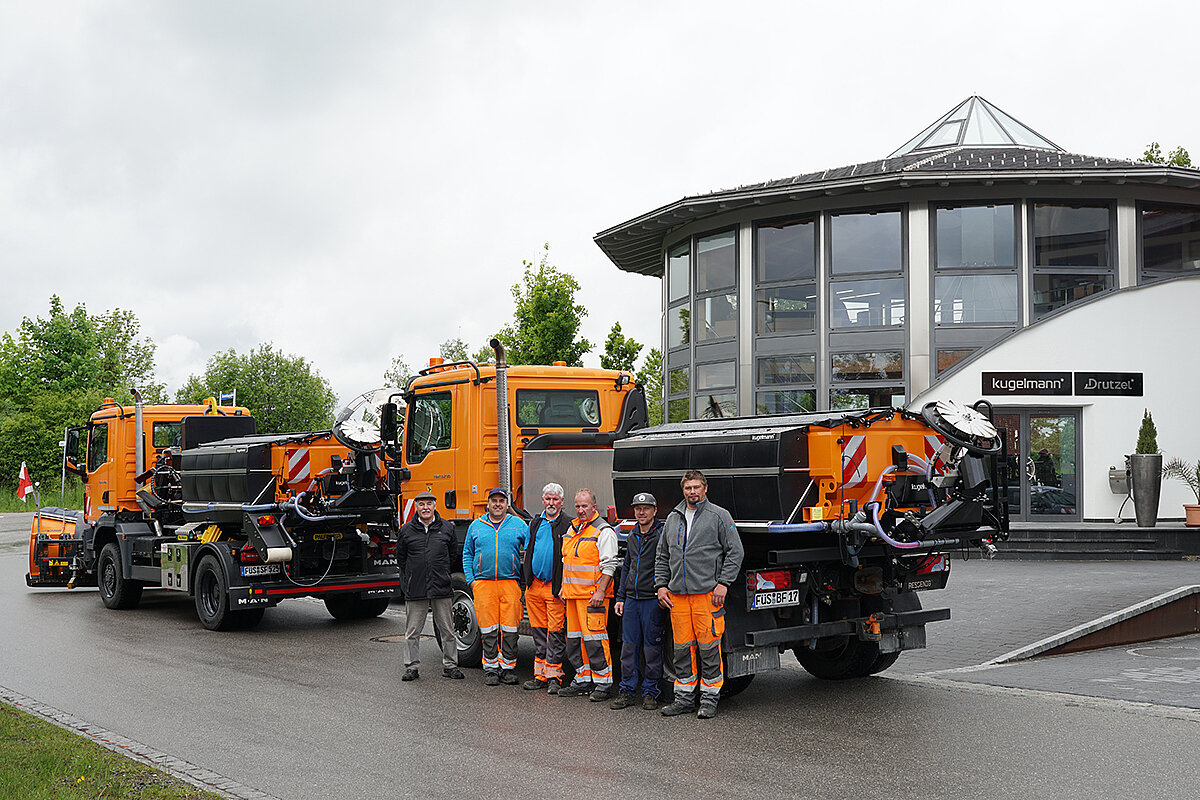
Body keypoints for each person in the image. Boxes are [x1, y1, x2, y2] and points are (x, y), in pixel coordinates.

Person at [655, 469, 744, 719]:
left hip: (707, 595)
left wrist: (724, 583)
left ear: (705, 488)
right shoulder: (673, 518)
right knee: (681, 649)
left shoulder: (719, 516)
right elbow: (663, 555)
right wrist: (661, 585)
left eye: (696, 487)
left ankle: (709, 699)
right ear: (682, 490)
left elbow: (735, 552)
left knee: (709, 649)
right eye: (687, 488)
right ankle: (683, 698)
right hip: (678, 597)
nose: (692, 492)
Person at [556, 488, 619, 702]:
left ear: (594, 506)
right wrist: (565, 588)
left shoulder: (603, 531)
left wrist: (601, 591)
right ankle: (582, 679)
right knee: (574, 641)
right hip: (573, 596)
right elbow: (567, 562)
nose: (581, 510)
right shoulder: (573, 529)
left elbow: (610, 565)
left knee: (595, 641)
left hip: (593, 597)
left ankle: (603, 683)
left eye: (585, 506)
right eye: (578, 506)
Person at [462, 487, 529, 686]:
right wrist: (471, 581)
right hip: (484, 584)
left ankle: (508, 668)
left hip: (510, 583)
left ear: (507, 504)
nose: (498, 504)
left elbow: (531, 548)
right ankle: (491, 669)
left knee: (510, 629)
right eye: (494, 501)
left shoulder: (518, 524)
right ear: (488, 504)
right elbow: (467, 554)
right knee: (488, 629)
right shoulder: (476, 526)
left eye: (501, 501)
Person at [397, 490, 464, 681]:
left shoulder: (447, 528)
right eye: (421, 504)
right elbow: (401, 558)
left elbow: (451, 555)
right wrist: (412, 576)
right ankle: (412, 667)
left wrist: (440, 571)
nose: (425, 508)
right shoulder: (406, 530)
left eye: (428, 504)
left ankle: (450, 666)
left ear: (435, 505)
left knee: (448, 630)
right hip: (416, 587)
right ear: (416, 507)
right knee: (412, 632)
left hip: (441, 586)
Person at [611, 492, 666, 710]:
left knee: (652, 649)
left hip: (651, 600)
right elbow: (626, 567)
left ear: (654, 510)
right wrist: (621, 597)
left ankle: (651, 692)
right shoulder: (633, 535)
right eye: (637, 509)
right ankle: (626, 690)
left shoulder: (661, 535)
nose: (641, 512)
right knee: (628, 649)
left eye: (645, 508)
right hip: (632, 601)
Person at [521, 482, 571, 694]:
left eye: (555, 499)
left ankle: (554, 676)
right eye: (548, 499)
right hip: (534, 588)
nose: (551, 503)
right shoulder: (536, 522)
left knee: (556, 633)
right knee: (539, 632)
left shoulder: (569, 523)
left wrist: (564, 585)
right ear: (543, 500)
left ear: (562, 501)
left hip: (554, 588)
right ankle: (540, 675)